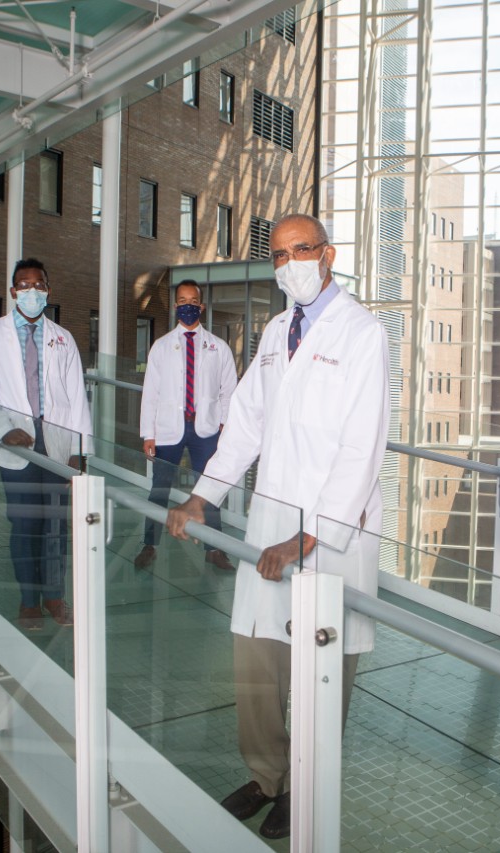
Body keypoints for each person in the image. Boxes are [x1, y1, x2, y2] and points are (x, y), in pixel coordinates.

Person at [166, 214, 389, 840]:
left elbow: (362, 449)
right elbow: (243, 427)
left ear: (329, 255)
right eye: (280, 254)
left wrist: (309, 536)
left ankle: (305, 783)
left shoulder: (363, 334)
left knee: (319, 672)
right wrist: (201, 498)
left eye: (303, 250)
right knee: (257, 664)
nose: (291, 263)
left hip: (325, 536)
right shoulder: (273, 333)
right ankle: (266, 777)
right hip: (270, 525)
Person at [0, 259, 92, 632]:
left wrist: (78, 451)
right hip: (16, 446)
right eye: (24, 285)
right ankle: (28, 601)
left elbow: (75, 397)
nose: (32, 291)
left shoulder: (62, 337)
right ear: (12, 292)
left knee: (55, 526)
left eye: (39, 285)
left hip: (56, 445)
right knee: (24, 525)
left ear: (48, 290)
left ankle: (54, 596)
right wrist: (3, 431)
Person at [134, 280, 238, 572]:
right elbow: (150, 392)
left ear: (201, 306)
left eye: (193, 300)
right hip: (169, 429)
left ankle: (214, 549)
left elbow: (229, 391)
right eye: (182, 300)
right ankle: (149, 544)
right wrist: (148, 434)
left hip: (206, 430)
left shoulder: (219, 348)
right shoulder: (162, 346)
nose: (188, 305)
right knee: (159, 488)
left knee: (211, 488)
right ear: (176, 305)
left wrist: (224, 427)